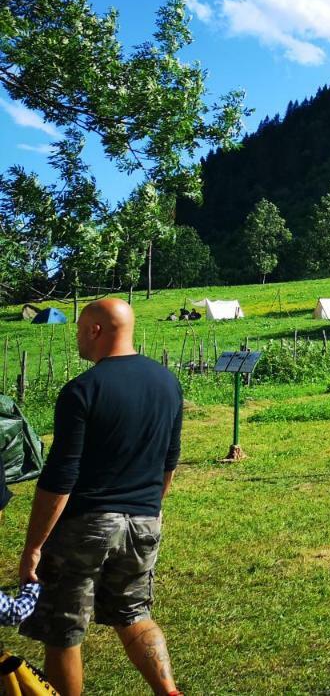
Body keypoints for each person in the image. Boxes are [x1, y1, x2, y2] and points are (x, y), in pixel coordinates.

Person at [20, 298, 184, 696]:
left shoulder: (82, 390)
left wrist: (34, 547)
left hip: (87, 523)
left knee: (64, 627)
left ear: (95, 330)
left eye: (79, 329)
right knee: (134, 612)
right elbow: (170, 461)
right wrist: (151, 508)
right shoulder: (168, 383)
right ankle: (170, 693)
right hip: (144, 520)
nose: (77, 337)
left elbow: (61, 477)